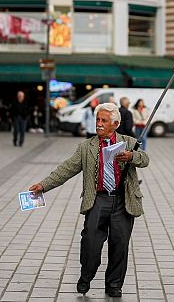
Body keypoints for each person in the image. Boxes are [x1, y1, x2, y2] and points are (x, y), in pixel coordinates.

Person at [28, 103, 149, 296]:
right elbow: (66, 168)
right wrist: (44, 185)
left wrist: (132, 156)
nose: (99, 124)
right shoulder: (87, 147)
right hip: (97, 200)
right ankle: (86, 276)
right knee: (90, 243)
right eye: (98, 120)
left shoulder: (128, 142)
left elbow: (145, 159)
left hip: (122, 202)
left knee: (120, 245)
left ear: (115, 124)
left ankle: (114, 285)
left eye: (104, 120)